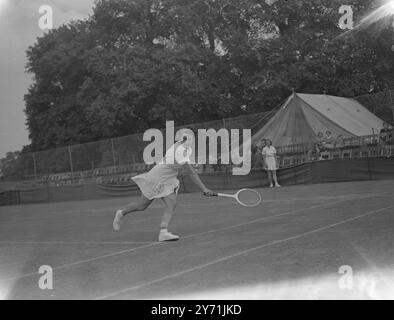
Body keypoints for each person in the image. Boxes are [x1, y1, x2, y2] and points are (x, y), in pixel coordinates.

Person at [112, 134, 215, 242]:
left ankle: (163, 232)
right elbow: (191, 172)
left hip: (169, 179)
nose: (189, 140)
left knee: (171, 204)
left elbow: (187, 166)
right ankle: (121, 213)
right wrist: (204, 188)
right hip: (157, 176)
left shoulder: (187, 149)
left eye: (191, 138)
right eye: (186, 138)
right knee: (141, 206)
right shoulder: (180, 150)